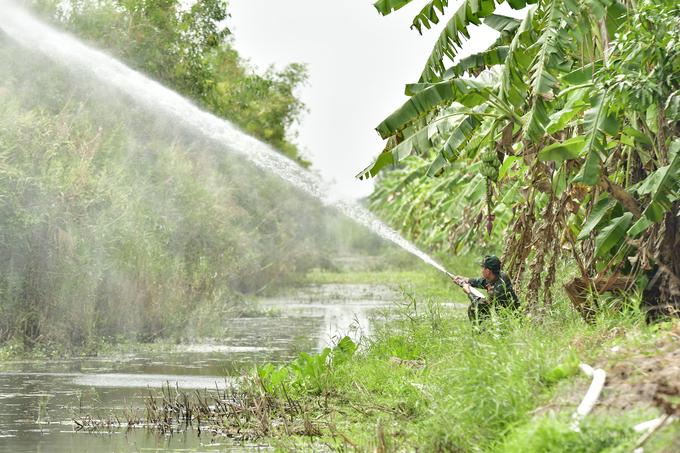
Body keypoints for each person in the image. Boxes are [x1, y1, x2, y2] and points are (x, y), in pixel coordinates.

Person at [452, 254, 519, 325]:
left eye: (482, 268)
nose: (481, 271)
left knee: (474, 308)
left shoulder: (499, 287)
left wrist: (468, 292)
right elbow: (483, 282)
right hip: (500, 312)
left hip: (510, 319)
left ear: (488, 271)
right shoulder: (497, 275)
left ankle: (480, 333)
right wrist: (466, 280)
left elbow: (480, 303)